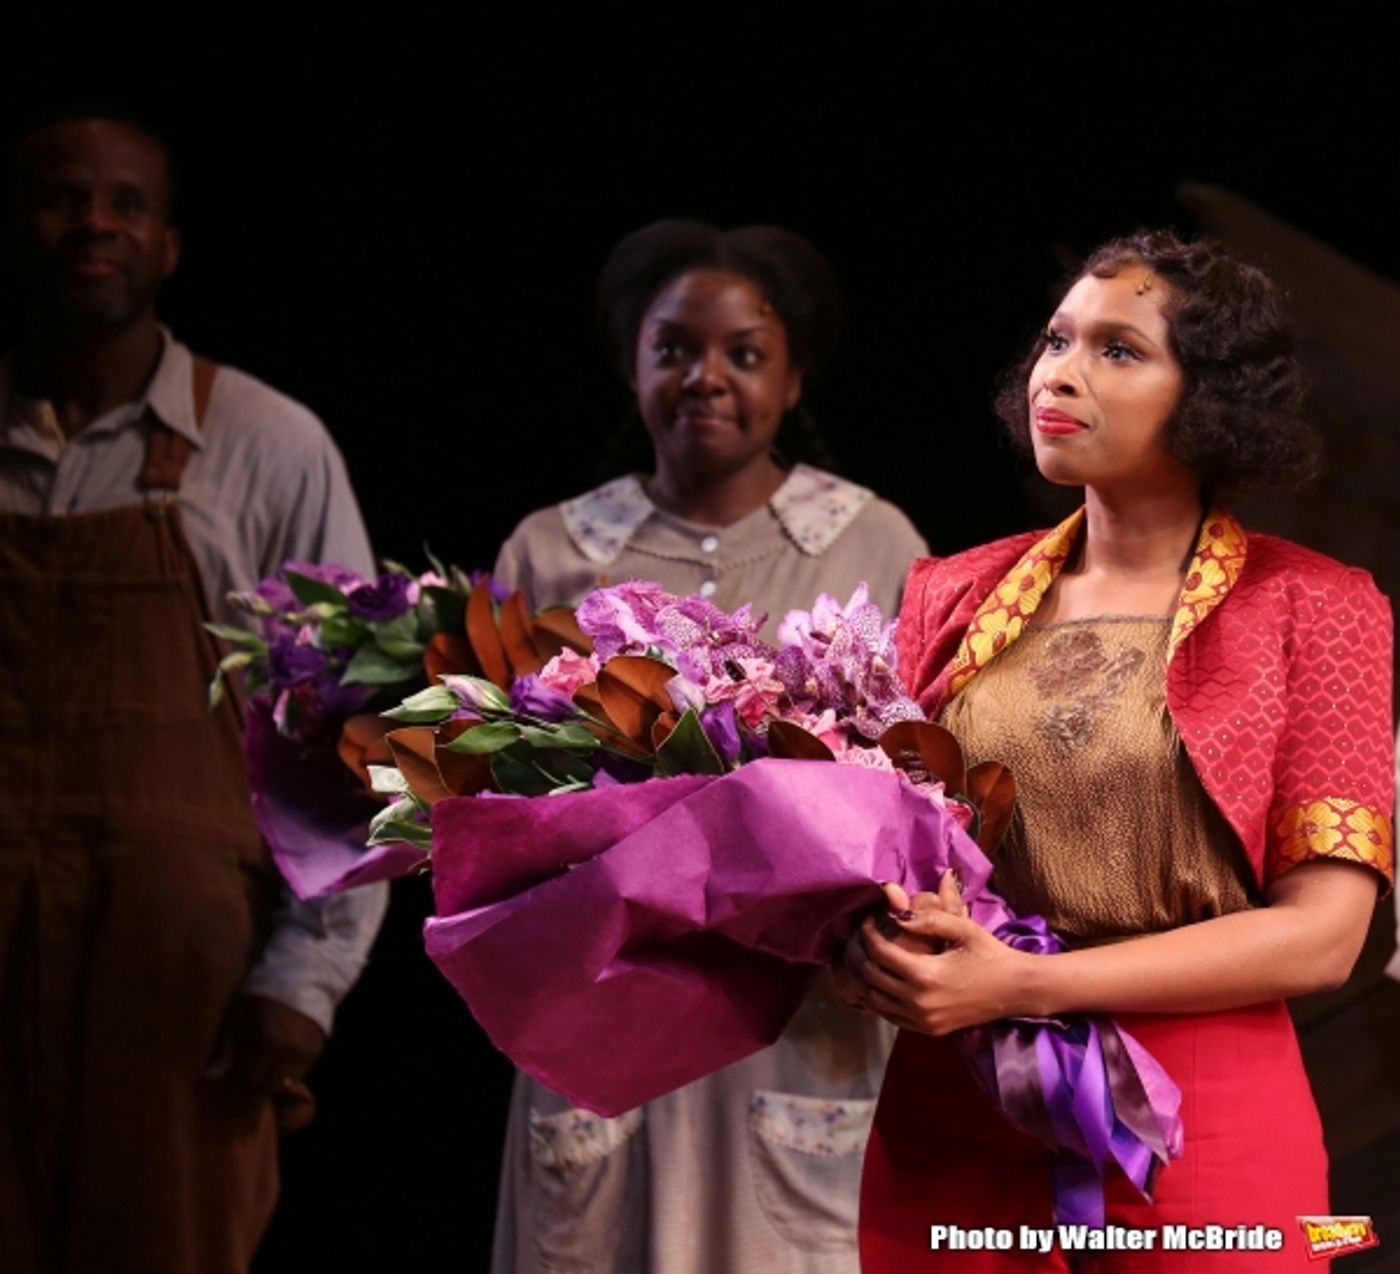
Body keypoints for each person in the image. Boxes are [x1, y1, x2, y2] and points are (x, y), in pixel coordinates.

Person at [841, 231, 1393, 1271]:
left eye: (1117, 350)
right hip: (955, 1113)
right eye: (1056, 340)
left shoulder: (1315, 608)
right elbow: (884, 841)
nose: (1059, 373)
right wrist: (864, 944)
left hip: (1198, 1116)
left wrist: (1017, 983)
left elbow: (1322, 938)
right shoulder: (949, 593)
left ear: (1209, 399)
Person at [490, 220, 928, 1273]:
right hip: (603, 1004)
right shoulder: (551, 549)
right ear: (630, 363)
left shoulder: (875, 544)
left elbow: (925, 789)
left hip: (799, 1016)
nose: (705, 377)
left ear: (792, 377)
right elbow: (484, 798)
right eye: (673, 347)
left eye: (743, 352)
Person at [0, 109, 387, 1274]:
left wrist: (306, 982)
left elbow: (353, 738)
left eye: (125, 204)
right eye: (66, 199)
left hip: (180, 982)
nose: (93, 225)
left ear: (167, 244)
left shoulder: (266, 445)